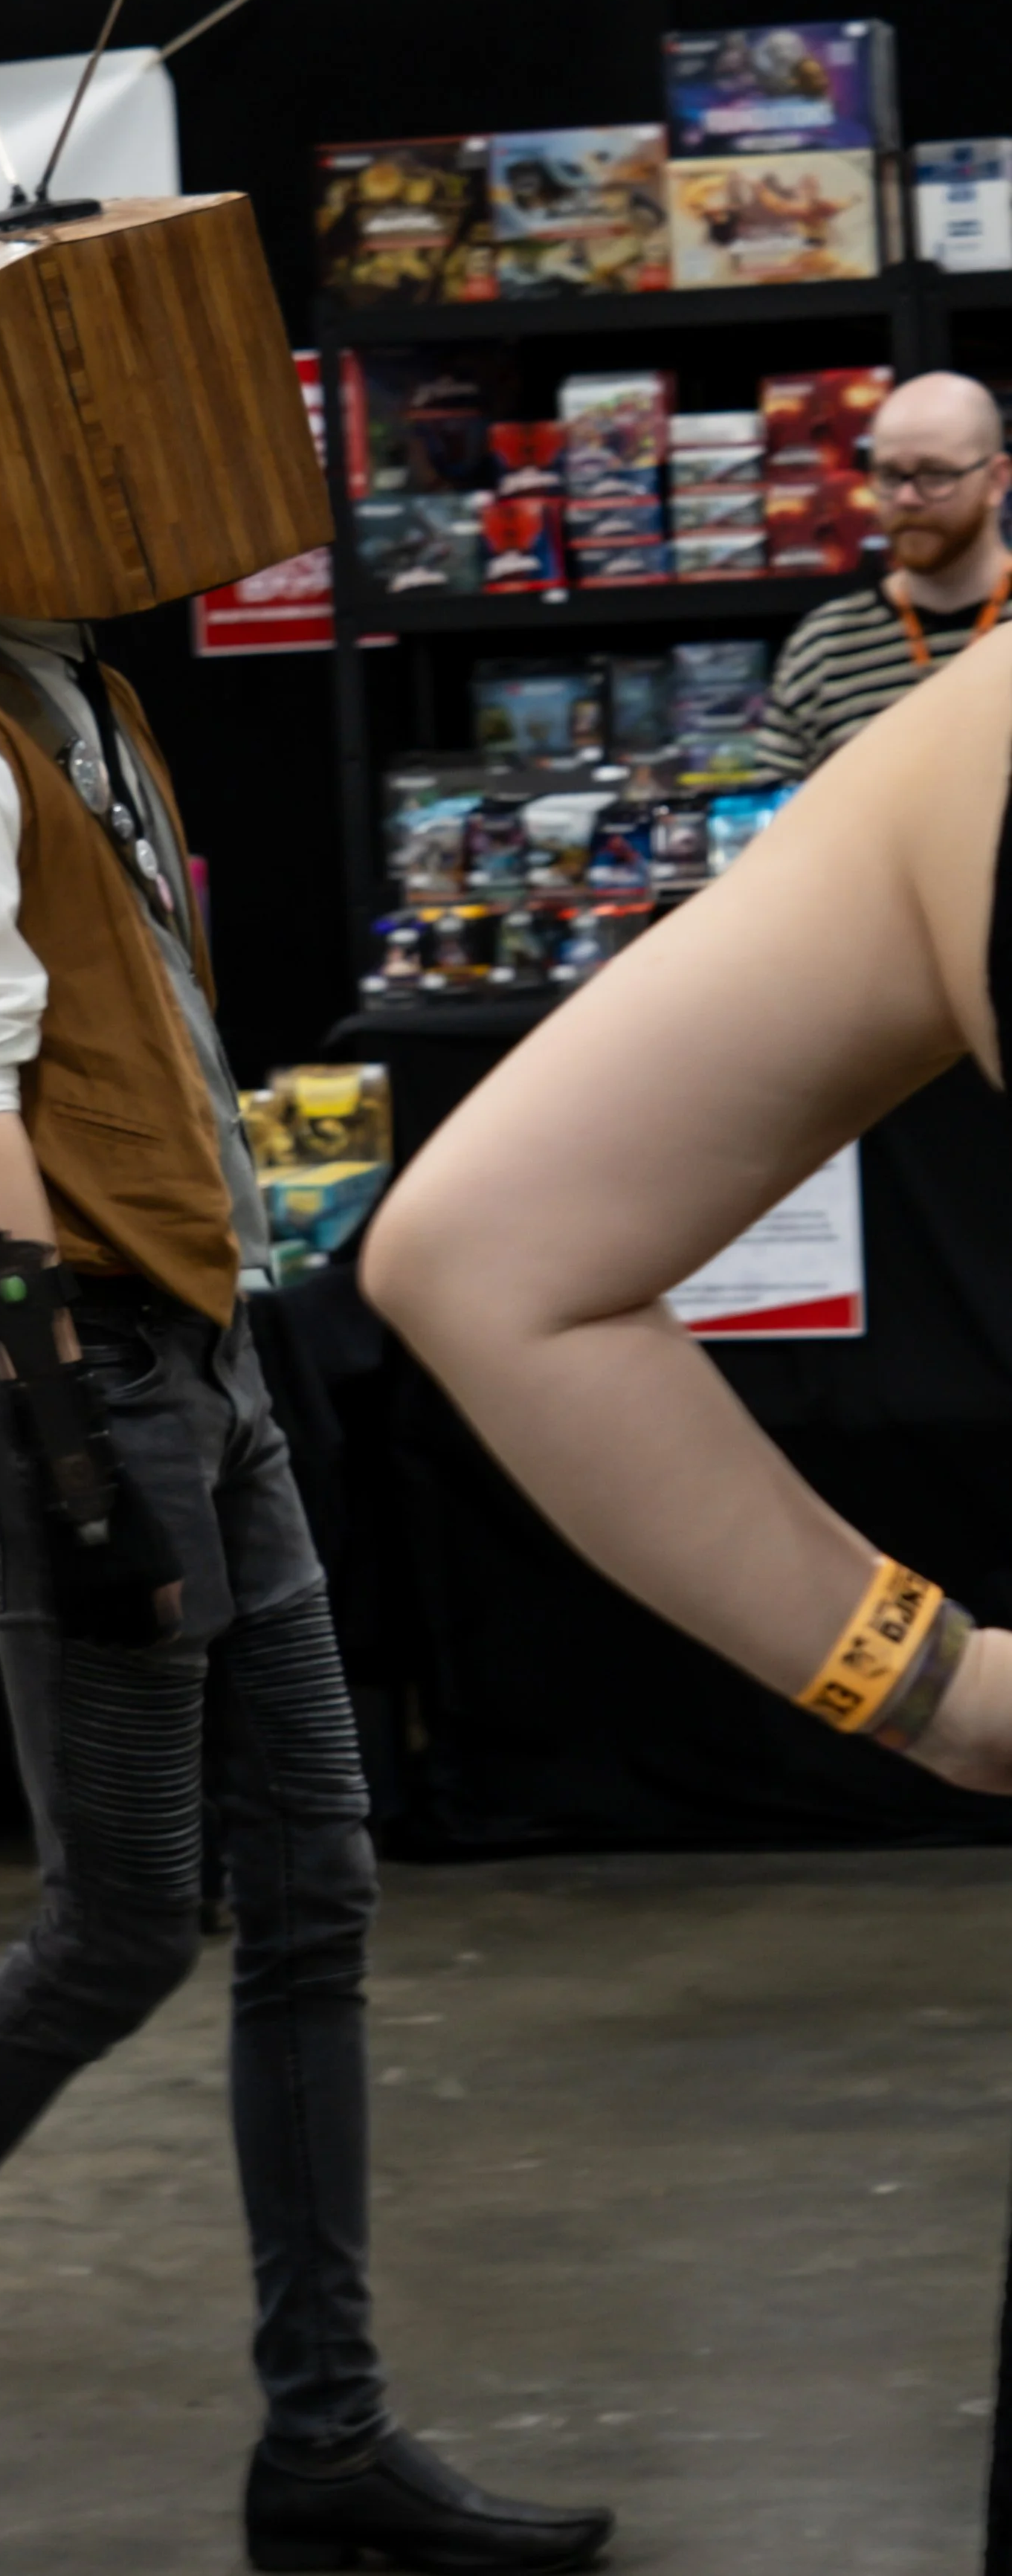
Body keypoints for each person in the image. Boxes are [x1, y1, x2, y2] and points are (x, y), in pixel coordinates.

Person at [0, 597, 613, 2576]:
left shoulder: (75, 688)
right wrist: (65, 1434)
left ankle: (325, 2433)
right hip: (68, 1360)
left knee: (315, 1893)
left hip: (197, 1344)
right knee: (111, 1924)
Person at [358, 621, 1012, 1795]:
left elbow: (481, 1255)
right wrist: (943, 1692)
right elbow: (478, 1258)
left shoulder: (972, 728)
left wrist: (946, 1695)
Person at [757, 369, 1011, 782]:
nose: (908, 498)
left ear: (997, 481)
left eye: (935, 475)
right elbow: (774, 823)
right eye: (890, 476)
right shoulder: (822, 652)